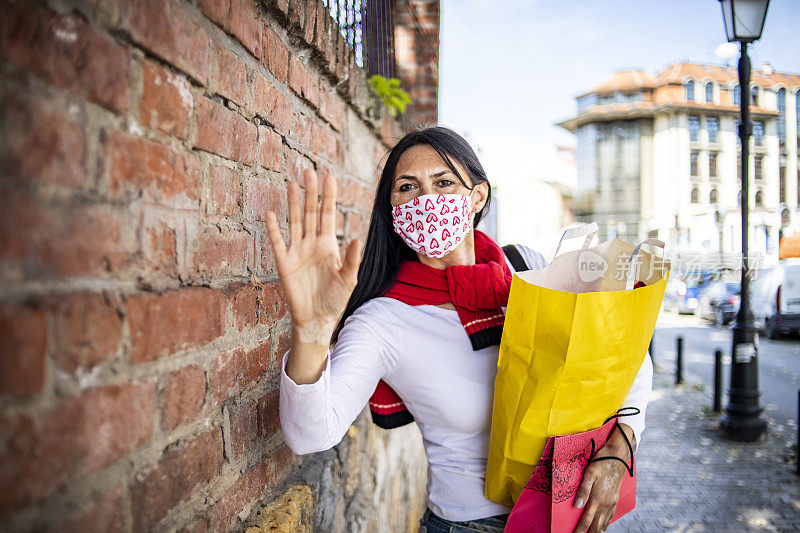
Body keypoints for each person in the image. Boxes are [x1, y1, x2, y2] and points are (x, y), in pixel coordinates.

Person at [265, 126, 653, 533]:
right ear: (393, 209)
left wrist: (621, 447)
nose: (427, 200)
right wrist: (310, 331)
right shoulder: (383, 320)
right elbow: (309, 435)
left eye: (444, 182)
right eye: (407, 187)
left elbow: (624, 354)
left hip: (566, 514)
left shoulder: (530, 269)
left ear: (477, 196)